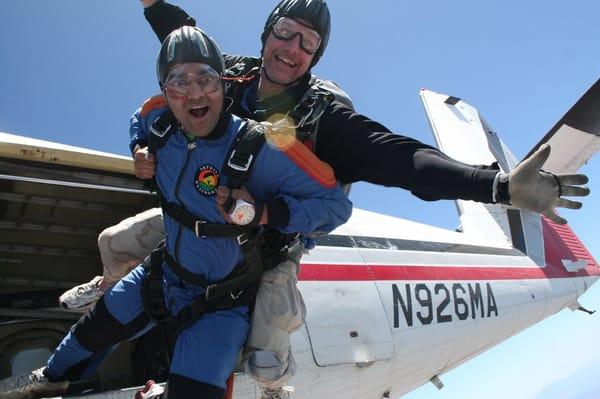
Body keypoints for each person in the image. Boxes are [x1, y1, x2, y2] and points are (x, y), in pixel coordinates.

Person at [59, 0, 590, 397]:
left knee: (263, 348)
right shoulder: (231, 74)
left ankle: (274, 386)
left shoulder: (323, 118)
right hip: (203, 213)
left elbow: (399, 158)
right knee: (117, 240)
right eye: (285, 34)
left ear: (315, 56)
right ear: (267, 34)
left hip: (270, 235)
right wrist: (154, 5)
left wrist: (495, 186)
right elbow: (183, 36)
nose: (292, 50)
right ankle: (112, 294)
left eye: (307, 43)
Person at [0, 26, 351, 399]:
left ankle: (272, 382)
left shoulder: (259, 146)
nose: (195, 92)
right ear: (166, 92)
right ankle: (52, 376)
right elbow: (140, 116)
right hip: (163, 277)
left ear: (223, 83)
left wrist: (265, 212)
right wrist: (139, 149)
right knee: (86, 336)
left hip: (224, 301)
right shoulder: (161, 126)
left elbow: (334, 206)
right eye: (178, 81)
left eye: (206, 78)